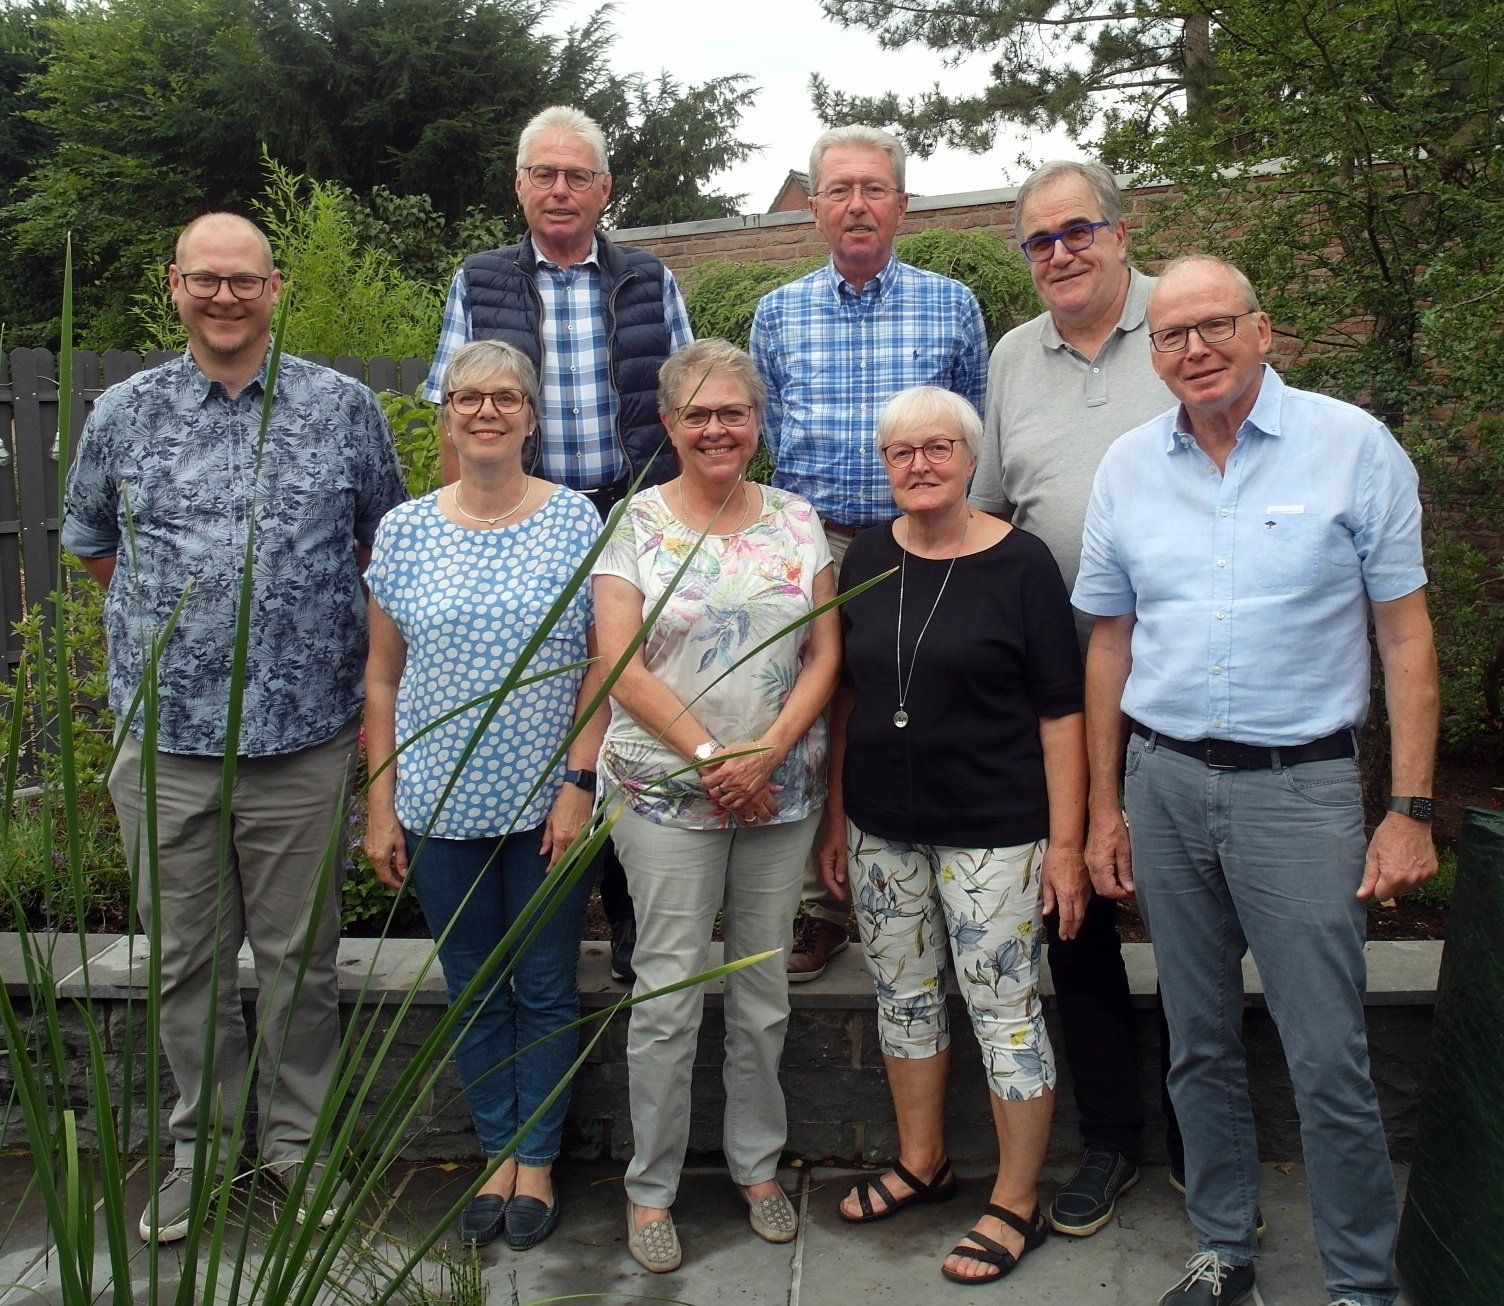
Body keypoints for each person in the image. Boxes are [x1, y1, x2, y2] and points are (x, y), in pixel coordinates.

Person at [1074, 254, 1438, 1306]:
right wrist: (1103, 806)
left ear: (1262, 330)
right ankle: (1223, 1245)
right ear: (1153, 354)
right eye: (1171, 335)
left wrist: (1410, 810)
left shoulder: (1352, 446)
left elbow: (1406, 637)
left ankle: (1360, 1283)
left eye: (1215, 326)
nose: (1194, 350)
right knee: (1195, 1040)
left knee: (1327, 1055)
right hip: (1164, 784)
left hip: (1300, 793)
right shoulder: (1127, 467)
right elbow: (1109, 644)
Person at [62, 212, 407, 1243]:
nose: (225, 296)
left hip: (303, 740)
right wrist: (189, 631)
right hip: (166, 745)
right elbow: (94, 544)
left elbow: (377, 547)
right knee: (184, 962)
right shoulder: (123, 413)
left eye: (244, 280)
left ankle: (298, 1149)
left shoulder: (342, 409)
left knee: (303, 960)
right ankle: (201, 1150)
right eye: (205, 279)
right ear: (174, 285)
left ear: (274, 288)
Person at [818, 386, 1088, 1286]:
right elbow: (847, 697)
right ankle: (922, 1162)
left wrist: (1065, 845)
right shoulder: (867, 555)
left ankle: (1015, 1199)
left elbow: (1062, 714)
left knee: (1004, 1013)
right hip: (881, 829)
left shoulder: (1023, 564)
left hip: (995, 834)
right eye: (901, 452)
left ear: (973, 460)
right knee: (903, 998)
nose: (921, 465)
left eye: (939, 448)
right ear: (885, 466)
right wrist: (836, 816)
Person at [423, 104, 695, 986]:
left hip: (632, 516)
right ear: (520, 187)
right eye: (544, 173)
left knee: (632, 707)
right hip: (524, 521)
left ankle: (634, 921)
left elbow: (687, 404)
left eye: (578, 175)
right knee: (546, 706)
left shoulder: (649, 280)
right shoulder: (479, 281)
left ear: (605, 189)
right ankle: (538, 914)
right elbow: (453, 414)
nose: (561, 189)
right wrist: (460, 528)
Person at [593, 339, 841, 1273]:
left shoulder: (797, 521)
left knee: (762, 993)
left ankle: (757, 1167)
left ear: (757, 422)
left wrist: (765, 754)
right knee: (666, 997)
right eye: (697, 414)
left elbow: (825, 655)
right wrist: (710, 757)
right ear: (669, 425)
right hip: (664, 796)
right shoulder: (634, 523)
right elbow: (619, 665)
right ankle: (650, 1189)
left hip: (779, 791)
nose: (716, 429)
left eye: (733, 412)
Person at [969, 158, 1179, 1238]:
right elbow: (992, 510)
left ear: (1121, 231)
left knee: (1188, 909)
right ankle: (1112, 1138)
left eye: (1077, 231)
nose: (1059, 254)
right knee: (1076, 906)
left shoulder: (1180, 324)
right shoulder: (1013, 356)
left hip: (1182, 674)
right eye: (1039, 240)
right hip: (1054, 681)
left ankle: (1199, 1129)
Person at [364, 340, 605, 1251]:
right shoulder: (405, 530)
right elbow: (383, 678)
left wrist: (579, 782)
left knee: (543, 986)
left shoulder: (576, 520)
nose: (487, 411)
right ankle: (496, 1151)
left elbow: (602, 665)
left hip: (547, 803)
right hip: (438, 804)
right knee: (472, 989)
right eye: (469, 397)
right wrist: (380, 804)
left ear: (532, 417)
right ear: (448, 416)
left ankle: (537, 1158)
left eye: (506, 397)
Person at [750, 124, 988, 982]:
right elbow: (768, 433)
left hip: (919, 545)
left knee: (920, 708)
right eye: (840, 190)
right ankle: (818, 908)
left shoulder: (951, 306)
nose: (857, 205)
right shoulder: (777, 314)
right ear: (814, 208)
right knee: (810, 717)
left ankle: (940, 893)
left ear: (902, 205)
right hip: (814, 547)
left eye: (874, 189)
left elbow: (972, 431)